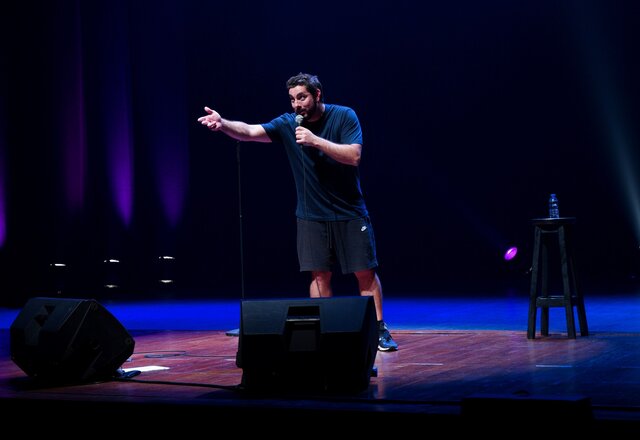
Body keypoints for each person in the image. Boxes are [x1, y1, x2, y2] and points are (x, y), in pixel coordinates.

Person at [198, 73, 397, 351]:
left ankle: (378, 330)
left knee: (364, 273)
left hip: (350, 212)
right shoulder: (288, 123)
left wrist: (315, 140)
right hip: (311, 216)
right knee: (319, 276)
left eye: (301, 98)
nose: (296, 105)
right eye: (292, 99)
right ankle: (326, 330)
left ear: (317, 94)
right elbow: (250, 131)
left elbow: (353, 156)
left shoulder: (344, 116)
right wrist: (223, 124)